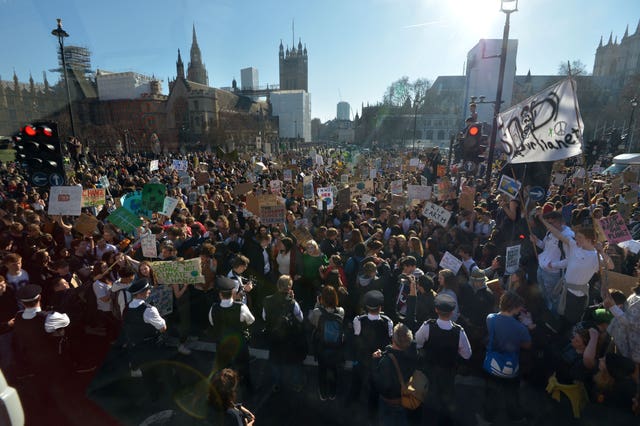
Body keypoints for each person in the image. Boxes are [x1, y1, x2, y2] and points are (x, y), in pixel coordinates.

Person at [537, 213, 614, 327]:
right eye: (576, 237)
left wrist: (602, 252)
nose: (576, 239)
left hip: (577, 295)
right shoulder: (574, 245)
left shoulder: (595, 257)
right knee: (559, 314)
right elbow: (557, 233)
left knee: (570, 320)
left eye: (580, 237)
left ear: (589, 240)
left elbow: (611, 266)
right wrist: (543, 221)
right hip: (564, 289)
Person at [415, 293, 472, 426]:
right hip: (448, 372)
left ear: (436, 310)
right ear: (452, 312)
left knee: (429, 401)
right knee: (447, 403)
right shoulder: (459, 332)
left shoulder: (427, 326)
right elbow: (467, 355)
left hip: (429, 370)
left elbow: (417, 343)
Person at [483, 291, 532, 424]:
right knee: (511, 395)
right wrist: (529, 325)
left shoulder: (490, 318)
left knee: (491, 394)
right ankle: (515, 417)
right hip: (510, 368)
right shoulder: (521, 328)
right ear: (514, 308)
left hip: (491, 365)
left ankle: (488, 418)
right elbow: (527, 345)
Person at [348, 290, 393, 423]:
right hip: (378, 361)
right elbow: (389, 341)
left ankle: (352, 406)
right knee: (374, 388)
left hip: (362, 360)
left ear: (366, 307)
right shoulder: (388, 321)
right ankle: (372, 414)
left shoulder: (358, 320)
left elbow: (357, 338)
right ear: (380, 307)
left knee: (357, 383)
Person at [208, 276, 255, 389]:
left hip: (222, 344)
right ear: (232, 292)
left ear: (220, 294)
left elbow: (212, 322)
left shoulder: (213, 308)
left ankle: (225, 389)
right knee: (243, 366)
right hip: (239, 343)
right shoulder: (241, 307)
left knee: (224, 369)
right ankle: (247, 387)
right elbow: (251, 320)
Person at [262, 274, 305, 392]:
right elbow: (300, 318)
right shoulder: (293, 303)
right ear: (290, 288)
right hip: (290, 338)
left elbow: (264, 317)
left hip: (274, 336)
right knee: (294, 361)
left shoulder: (267, 300)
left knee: (275, 361)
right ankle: (296, 384)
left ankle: (277, 384)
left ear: (278, 286)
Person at [371, 323, 418, 426]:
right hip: (406, 400)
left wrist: (375, 361)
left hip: (389, 402)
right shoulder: (413, 354)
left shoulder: (386, 361)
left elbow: (381, 385)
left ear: (393, 339)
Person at [121, 278, 167, 379]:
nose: (149, 291)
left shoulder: (127, 306)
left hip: (135, 343)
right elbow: (163, 328)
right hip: (150, 344)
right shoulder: (149, 310)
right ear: (140, 293)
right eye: (147, 290)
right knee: (153, 369)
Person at [530, 210, 574, 312]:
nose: (548, 226)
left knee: (553, 298)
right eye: (547, 223)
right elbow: (544, 246)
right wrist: (536, 241)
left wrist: (553, 265)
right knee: (544, 294)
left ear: (561, 222)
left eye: (551, 223)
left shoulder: (568, 237)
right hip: (541, 269)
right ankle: (547, 311)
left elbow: (570, 260)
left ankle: (555, 316)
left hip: (552, 273)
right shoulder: (550, 232)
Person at [309, 285, 345, 401]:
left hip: (321, 346)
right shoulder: (341, 311)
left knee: (322, 369)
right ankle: (332, 393)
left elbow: (313, 322)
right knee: (333, 369)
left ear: (322, 298)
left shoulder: (317, 312)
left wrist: (317, 305)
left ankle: (323, 393)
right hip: (335, 347)